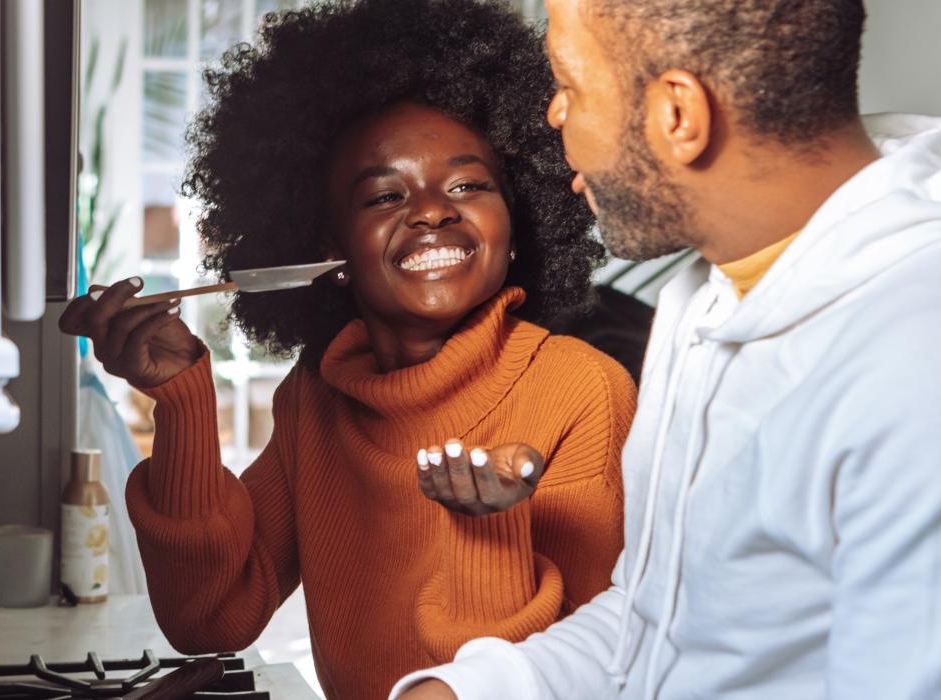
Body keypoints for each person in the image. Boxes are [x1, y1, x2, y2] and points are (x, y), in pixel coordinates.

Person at [394, 0, 941, 698]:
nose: (553, 115)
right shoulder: (709, 296)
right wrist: (467, 691)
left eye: (570, 85)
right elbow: (665, 623)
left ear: (679, 116)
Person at [58, 1, 635, 697]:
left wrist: (488, 529)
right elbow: (211, 617)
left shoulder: (581, 390)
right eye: (385, 196)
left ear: (516, 224)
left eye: (467, 185)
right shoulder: (319, 396)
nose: (431, 210)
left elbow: (597, 669)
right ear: (329, 250)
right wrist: (182, 399)